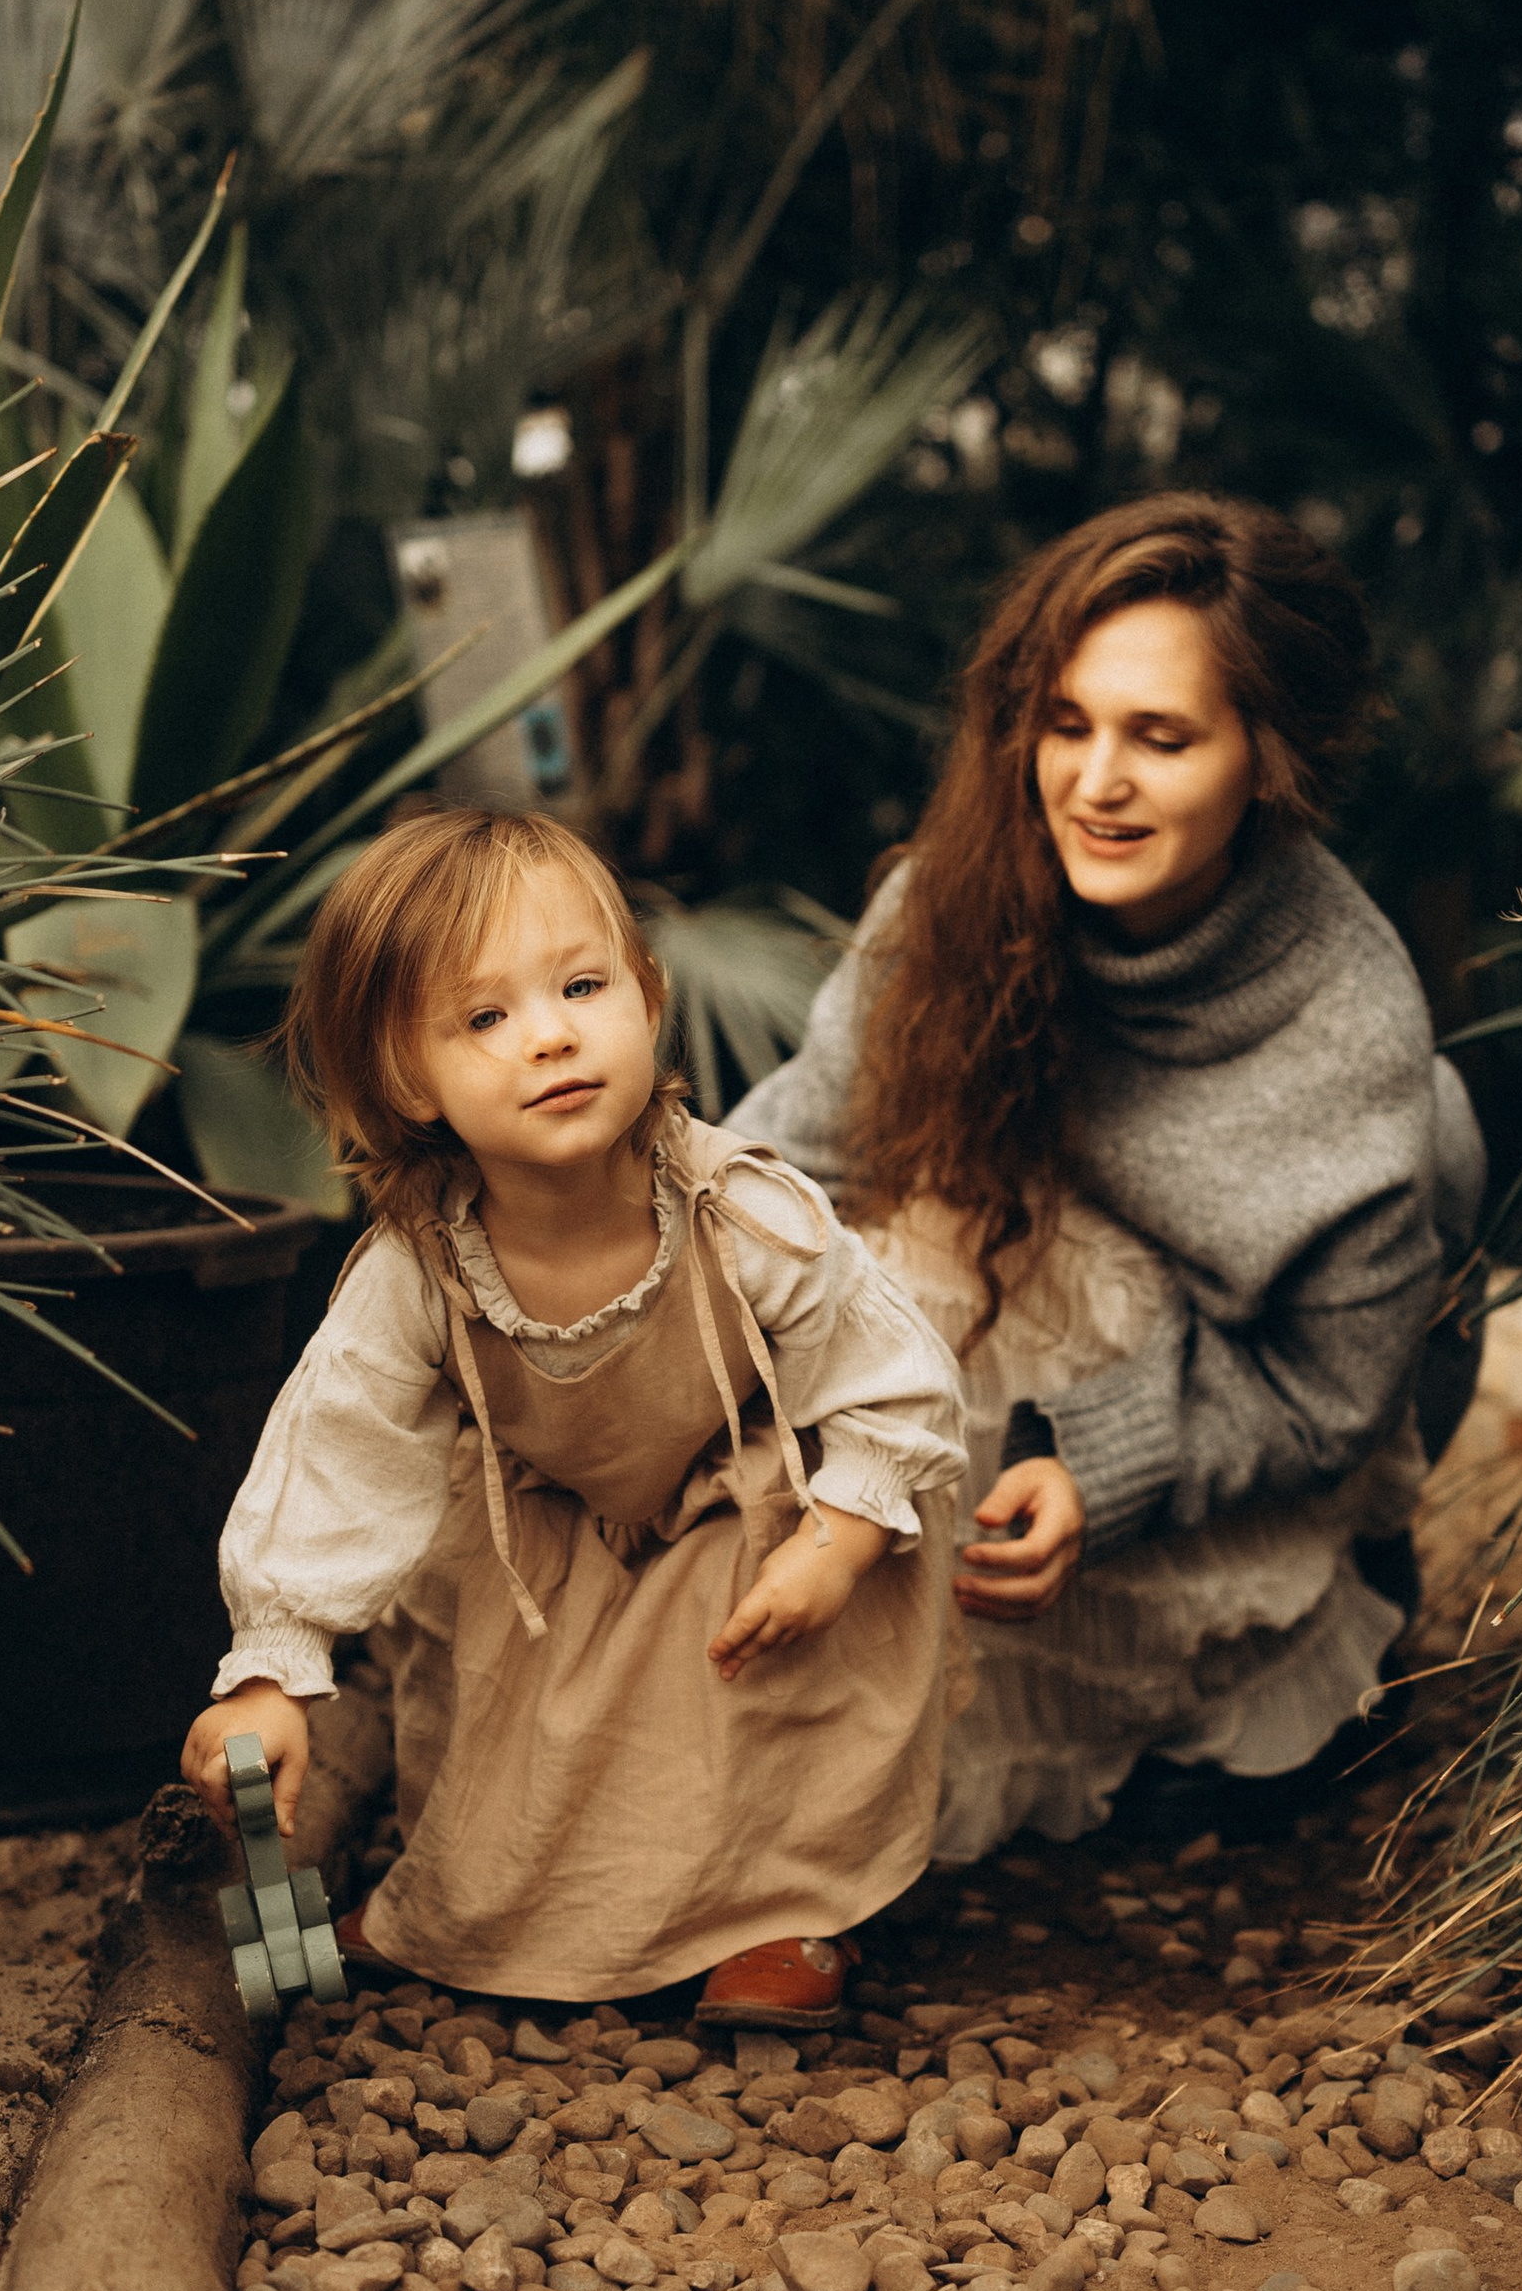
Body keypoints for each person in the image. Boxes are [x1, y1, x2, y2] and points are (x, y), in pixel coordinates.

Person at [729, 491, 1484, 1865]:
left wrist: (1102, 1464)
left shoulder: (1349, 1025)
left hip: (1224, 1405)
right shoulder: (955, 901)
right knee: (895, 1241)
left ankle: (1300, 1632)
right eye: (1067, 724)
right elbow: (801, 1154)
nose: (1094, 782)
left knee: (1445, 1129)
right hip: (1003, 1354)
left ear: (1269, 758)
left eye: (1162, 737)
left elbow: (1331, 1378)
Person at [179, 808, 967, 2025]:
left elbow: (894, 1374)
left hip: (738, 1507)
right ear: (406, 1078)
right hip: (553, 1532)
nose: (549, 1036)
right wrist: (274, 1667)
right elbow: (336, 1449)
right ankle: (517, 1912)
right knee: (526, 1725)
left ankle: (788, 1915)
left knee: (770, 1675)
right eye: (484, 1019)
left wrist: (841, 1534)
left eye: (582, 986)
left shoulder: (735, 1208)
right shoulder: (421, 1268)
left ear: (646, 1000)